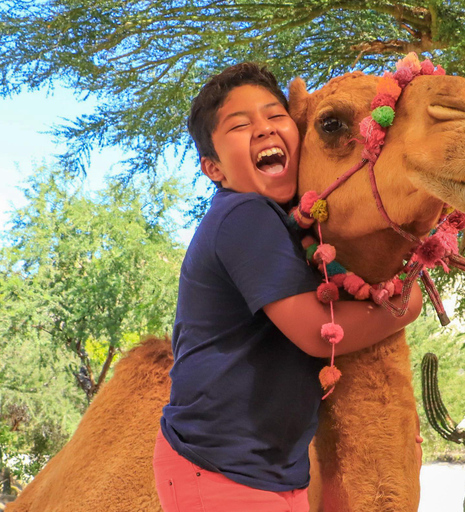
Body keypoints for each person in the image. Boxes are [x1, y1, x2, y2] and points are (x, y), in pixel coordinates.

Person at [154, 62, 423, 512]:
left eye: (275, 116)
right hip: (220, 466)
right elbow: (318, 334)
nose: (263, 130)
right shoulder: (244, 215)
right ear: (213, 168)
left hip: (270, 470)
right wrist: (405, 304)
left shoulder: (284, 225)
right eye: (240, 126)